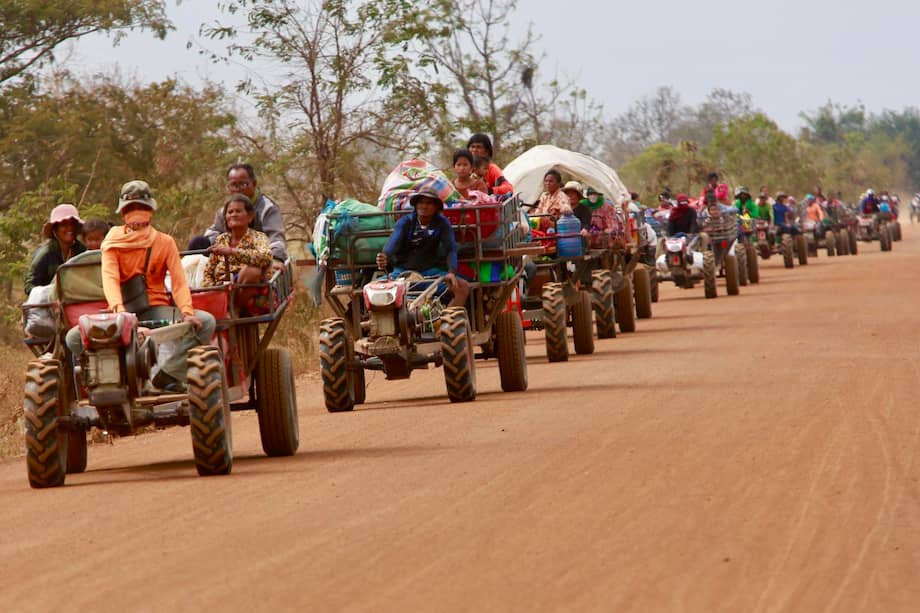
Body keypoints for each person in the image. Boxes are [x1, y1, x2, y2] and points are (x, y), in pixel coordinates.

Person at [65, 180, 216, 392]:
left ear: (151, 211)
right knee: (73, 338)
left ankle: (168, 374)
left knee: (206, 322)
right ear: (122, 213)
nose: (137, 213)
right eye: (130, 208)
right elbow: (110, 279)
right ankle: (115, 379)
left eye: (141, 207)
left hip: (157, 309)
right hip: (122, 311)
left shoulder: (165, 242)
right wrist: (121, 314)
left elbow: (179, 282)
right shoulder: (112, 242)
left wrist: (187, 311)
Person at [376, 188, 470, 308]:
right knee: (372, 289)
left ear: (436, 207)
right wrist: (384, 256)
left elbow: (451, 249)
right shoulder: (405, 222)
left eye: (429, 203)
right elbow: (392, 243)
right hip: (403, 274)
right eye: (421, 202)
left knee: (462, 287)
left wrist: (451, 272)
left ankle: (445, 321)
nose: (424, 206)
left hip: (429, 274)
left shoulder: (442, 223)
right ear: (415, 205)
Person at [205, 163, 287, 265]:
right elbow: (213, 233)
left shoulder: (267, 209)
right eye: (233, 185)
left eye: (243, 184)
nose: (238, 189)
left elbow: (276, 239)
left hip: (259, 263)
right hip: (228, 265)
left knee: (251, 273)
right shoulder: (224, 211)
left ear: (254, 183)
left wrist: (275, 260)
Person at [203, 194, 274, 313]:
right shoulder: (221, 239)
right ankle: (225, 304)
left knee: (252, 271)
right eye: (230, 212)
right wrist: (210, 289)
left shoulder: (258, 237)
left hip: (250, 289)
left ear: (250, 217)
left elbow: (265, 256)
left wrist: (232, 252)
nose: (233, 215)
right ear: (225, 217)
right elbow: (209, 270)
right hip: (221, 287)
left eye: (238, 211)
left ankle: (234, 308)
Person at [24, 204, 87, 295]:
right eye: (64, 224)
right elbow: (29, 285)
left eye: (72, 224)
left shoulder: (82, 250)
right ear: (55, 229)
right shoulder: (45, 253)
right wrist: (47, 294)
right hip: (47, 303)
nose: (69, 228)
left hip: (76, 299)